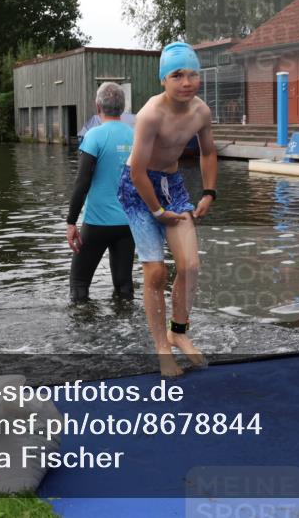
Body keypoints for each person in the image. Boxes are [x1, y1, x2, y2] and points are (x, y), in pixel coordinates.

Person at [116, 42, 217, 377]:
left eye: (192, 74)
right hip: (138, 186)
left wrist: (208, 192)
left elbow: (207, 152)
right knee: (156, 272)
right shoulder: (150, 115)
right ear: (163, 79)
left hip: (172, 185)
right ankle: (161, 347)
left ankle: (179, 332)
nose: (186, 82)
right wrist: (157, 211)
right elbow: (137, 171)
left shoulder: (201, 112)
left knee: (190, 266)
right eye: (177, 75)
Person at [66, 83, 136, 303]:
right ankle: (125, 331)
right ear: (123, 108)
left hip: (97, 223)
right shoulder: (136, 136)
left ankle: (83, 332)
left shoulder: (94, 136)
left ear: (98, 107)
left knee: (79, 284)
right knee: (124, 285)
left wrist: (71, 222)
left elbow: (82, 181)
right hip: (128, 224)